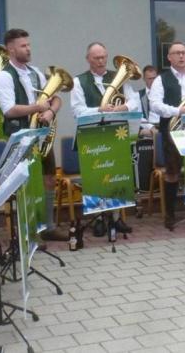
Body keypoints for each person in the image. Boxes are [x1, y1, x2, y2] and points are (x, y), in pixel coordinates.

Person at [0, 28, 67, 241]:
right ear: (10, 49)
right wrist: (36, 108)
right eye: (23, 46)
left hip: (41, 136)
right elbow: (9, 110)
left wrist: (50, 111)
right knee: (28, 184)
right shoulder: (5, 76)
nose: (28, 49)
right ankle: (29, 233)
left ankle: (48, 226)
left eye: (29, 45)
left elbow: (56, 99)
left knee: (49, 179)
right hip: (21, 138)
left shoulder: (34, 72)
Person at [69, 41, 136, 234]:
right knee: (96, 177)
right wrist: (99, 109)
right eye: (96, 58)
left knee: (116, 175)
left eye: (103, 57)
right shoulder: (78, 81)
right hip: (91, 137)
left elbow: (134, 101)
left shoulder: (119, 78)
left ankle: (116, 218)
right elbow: (77, 111)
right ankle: (98, 218)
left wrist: (123, 107)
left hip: (116, 133)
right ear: (88, 59)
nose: (101, 61)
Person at [149, 42, 185, 229]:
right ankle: (170, 214)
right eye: (177, 53)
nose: (181, 56)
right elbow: (155, 105)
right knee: (173, 172)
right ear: (169, 57)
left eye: (184, 52)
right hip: (173, 130)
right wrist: (178, 110)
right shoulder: (161, 79)